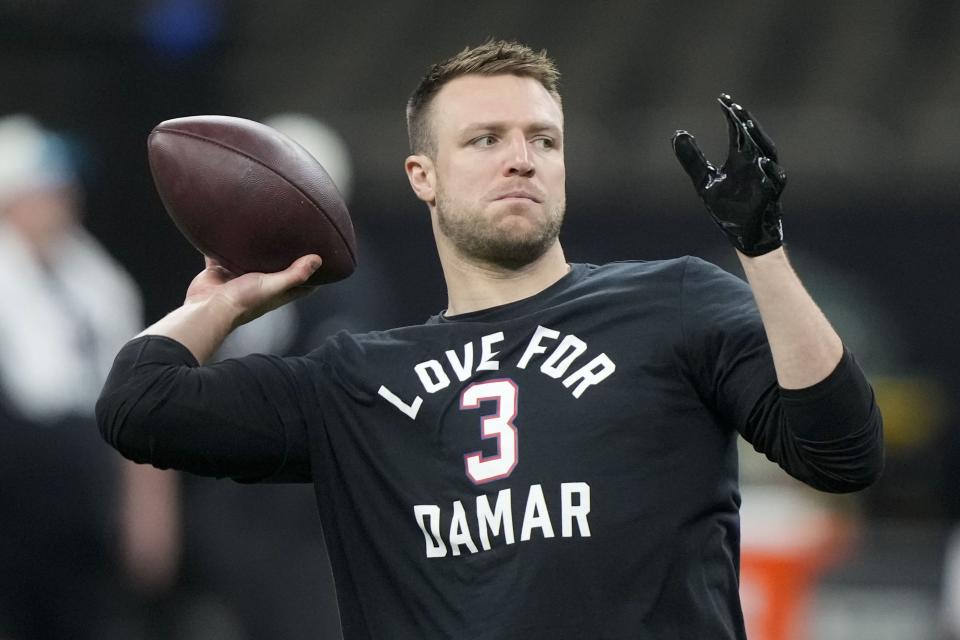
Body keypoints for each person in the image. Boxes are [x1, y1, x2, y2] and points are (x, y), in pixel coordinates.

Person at [97, 41, 884, 639]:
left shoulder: (674, 301)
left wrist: (762, 249)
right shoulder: (354, 380)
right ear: (422, 175)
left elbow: (841, 452)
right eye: (485, 140)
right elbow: (139, 403)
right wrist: (230, 300)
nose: (521, 158)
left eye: (544, 140)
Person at [0, 115, 178, 639]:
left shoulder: (99, 283)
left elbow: (140, 400)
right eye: (46, 188)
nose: (63, 198)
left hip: (82, 514)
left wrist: (150, 511)